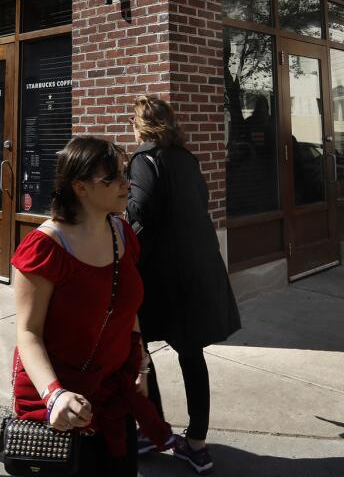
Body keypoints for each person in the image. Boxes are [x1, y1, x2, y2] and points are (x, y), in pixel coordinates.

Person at [10, 136, 172, 477]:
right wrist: (54, 396)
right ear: (80, 186)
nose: (125, 184)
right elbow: (28, 333)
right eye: (111, 178)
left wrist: (140, 364)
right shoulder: (45, 247)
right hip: (60, 401)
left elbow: (127, 308)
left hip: (115, 392)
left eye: (124, 174)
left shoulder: (122, 233)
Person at [126, 95, 241, 474]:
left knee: (139, 346)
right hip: (195, 266)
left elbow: (139, 210)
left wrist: (122, 225)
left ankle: (153, 430)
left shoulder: (145, 160)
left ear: (142, 124)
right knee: (191, 353)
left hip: (159, 272)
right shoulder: (186, 158)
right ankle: (197, 443)